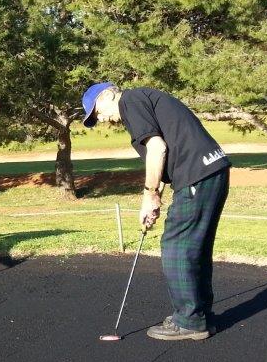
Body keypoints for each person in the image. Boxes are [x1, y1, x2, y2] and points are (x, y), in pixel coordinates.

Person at [82, 82, 231, 340]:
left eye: (97, 112)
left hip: (197, 175)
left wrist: (149, 194)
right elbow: (166, 154)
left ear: (107, 95)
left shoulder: (129, 102)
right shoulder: (144, 98)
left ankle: (189, 321)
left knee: (176, 246)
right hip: (212, 170)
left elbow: (157, 148)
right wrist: (155, 199)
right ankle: (199, 315)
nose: (101, 119)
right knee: (196, 247)